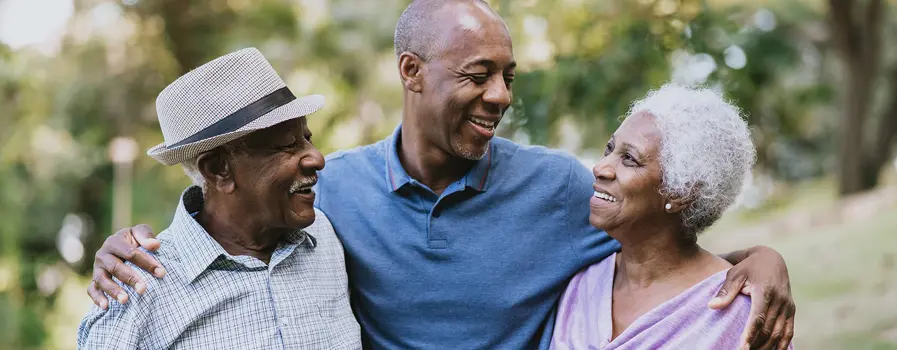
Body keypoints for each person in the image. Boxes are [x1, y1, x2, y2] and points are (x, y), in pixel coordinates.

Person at [85, 1, 795, 348]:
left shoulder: (557, 186)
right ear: (411, 72)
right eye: (478, 75)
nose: (502, 97)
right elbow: (226, 229)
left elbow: (661, 243)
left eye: (508, 77)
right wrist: (123, 253)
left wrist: (761, 260)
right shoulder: (325, 209)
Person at [77, 48, 361, 349]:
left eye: (307, 138)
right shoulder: (137, 290)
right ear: (218, 170)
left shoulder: (326, 238)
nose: (316, 158)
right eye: (287, 146)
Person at [550, 84, 793, 349]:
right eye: (610, 149)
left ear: (680, 193)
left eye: (629, 159)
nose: (600, 168)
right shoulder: (582, 285)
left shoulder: (737, 312)